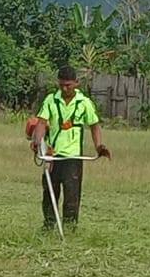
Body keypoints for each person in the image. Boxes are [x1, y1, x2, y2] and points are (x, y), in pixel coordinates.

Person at [27, 66, 112, 231]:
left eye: (68, 85)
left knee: (71, 196)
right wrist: (37, 141)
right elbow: (42, 123)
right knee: (49, 194)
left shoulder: (84, 103)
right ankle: (49, 226)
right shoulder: (51, 100)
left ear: (76, 83)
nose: (65, 89)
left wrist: (99, 146)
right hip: (52, 155)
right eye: (61, 85)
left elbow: (94, 126)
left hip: (73, 157)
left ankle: (70, 228)